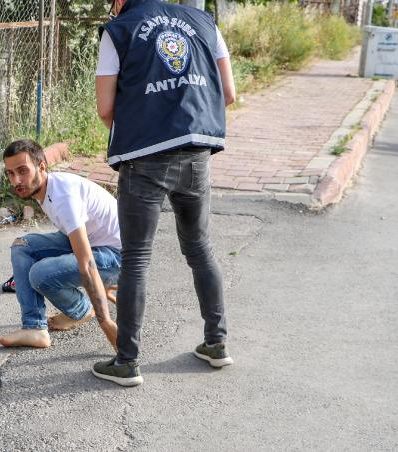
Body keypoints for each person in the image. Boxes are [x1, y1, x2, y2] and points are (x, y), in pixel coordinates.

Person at [92, 0, 236, 386]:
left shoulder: (119, 30)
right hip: (198, 150)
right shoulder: (203, 21)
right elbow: (229, 92)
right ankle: (216, 343)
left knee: (137, 256)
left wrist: (142, 122)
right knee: (200, 247)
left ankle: (127, 361)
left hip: (145, 157)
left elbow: (106, 107)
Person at [0, 139, 121, 349]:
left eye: (22, 171)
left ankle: (81, 310)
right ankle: (34, 328)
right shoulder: (47, 188)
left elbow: (87, 263)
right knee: (22, 246)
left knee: (40, 274)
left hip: (118, 257)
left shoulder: (63, 197)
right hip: (97, 243)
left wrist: (106, 323)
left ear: (42, 167)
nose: (16, 181)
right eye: (10, 173)